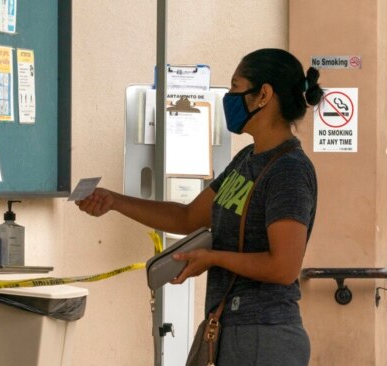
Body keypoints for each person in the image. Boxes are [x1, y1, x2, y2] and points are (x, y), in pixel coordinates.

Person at [77, 48, 323, 365]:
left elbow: (284, 267)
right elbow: (186, 216)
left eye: (236, 87)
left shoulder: (288, 170)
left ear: (263, 94)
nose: (229, 97)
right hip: (229, 329)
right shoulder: (246, 160)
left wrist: (213, 258)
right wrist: (115, 201)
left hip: (264, 335)